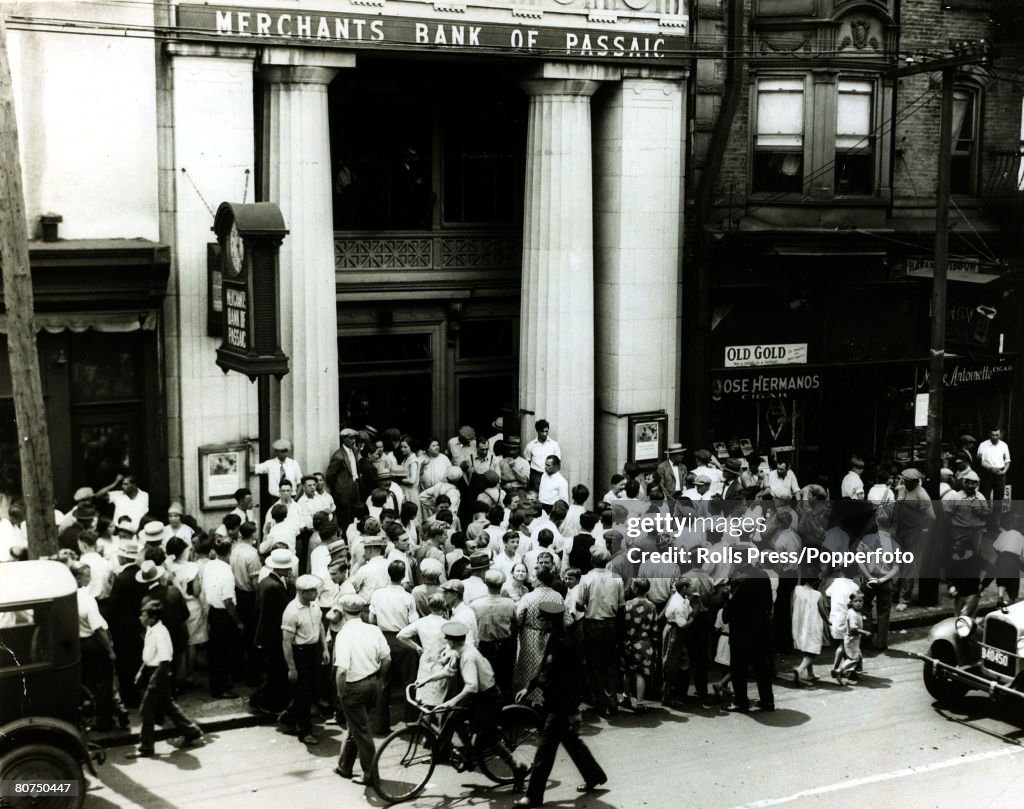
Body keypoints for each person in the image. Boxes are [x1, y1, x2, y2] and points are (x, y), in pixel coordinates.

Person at [513, 603, 606, 809]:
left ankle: (533, 796)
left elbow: (574, 682)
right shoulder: (555, 638)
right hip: (554, 701)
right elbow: (543, 665)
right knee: (571, 742)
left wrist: (573, 711)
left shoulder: (566, 645)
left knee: (544, 751)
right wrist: (529, 687)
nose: (539, 622)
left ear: (550, 621)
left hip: (560, 705)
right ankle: (594, 775)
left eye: (542, 619)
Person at [416, 622, 527, 781]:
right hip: (477, 697)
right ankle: (470, 753)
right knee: (454, 718)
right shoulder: (459, 651)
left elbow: (472, 687)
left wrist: (451, 702)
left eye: (447, 639)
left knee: (488, 736)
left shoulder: (468, 656)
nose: (446, 642)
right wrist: (426, 680)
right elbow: (448, 671)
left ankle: (516, 768)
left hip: (488, 698)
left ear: (453, 641)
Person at [127, 601, 204, 758]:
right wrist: (141, 671)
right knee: (168, 705)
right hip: (152, 671)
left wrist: (154, 679)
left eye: (144, 615)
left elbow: (164, 659)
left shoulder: (159, 633)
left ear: (153, 617)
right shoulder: (150, 629)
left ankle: (146, 747)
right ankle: (192, 731)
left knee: (146, 711)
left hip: (159, 673)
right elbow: (149, 655)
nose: (140, 617)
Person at [334, 595, 390, 784]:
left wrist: (340, 692)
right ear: (362, 611)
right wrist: (379, 679)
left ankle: (371, 775)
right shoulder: (374, 630)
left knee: (362, 731)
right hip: (373, 683)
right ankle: (345, 766)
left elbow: (341, 670)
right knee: (356, 726)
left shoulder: (344, 635)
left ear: (343, 612)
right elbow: (387, 659)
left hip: (353, 687)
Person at [573, 546, 625, 716]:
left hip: (593, 623)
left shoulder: (586, 579)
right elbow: (621, 605)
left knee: (595, 664)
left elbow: (579, 605)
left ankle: (600, 702)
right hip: (611, 623)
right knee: (611, 662)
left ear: (592, 561)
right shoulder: (616, 578)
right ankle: (612, 700)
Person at [722, 550, 775, 712]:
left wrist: (726, 605)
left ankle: (740, 701)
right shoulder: (763, 575)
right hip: (761, 628)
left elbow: (733, 606)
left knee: (738, 667)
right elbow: (768, 601)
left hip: (742, 630)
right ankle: (767, 701)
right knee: (761, 666)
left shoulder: (740, 580)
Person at [281, 574, 328, 745]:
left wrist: (324, 648)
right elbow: (286, 642)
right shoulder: (291, 612)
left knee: (311, 690)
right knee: (304, 694)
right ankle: (304, 731)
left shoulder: (314, 606)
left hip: (313, 650)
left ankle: (289, 717)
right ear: (301, 592)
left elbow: (320, 625)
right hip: (299, 652)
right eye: (312, 591)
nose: (316, 593)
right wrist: (292, 667)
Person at [251, 548, 296, 716]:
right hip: (272, 634)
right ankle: (260, 700)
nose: (290, 570)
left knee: (273, 670)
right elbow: (286, 607)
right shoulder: (274, 587)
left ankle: (266, 700)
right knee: (274, 671)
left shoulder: (265, 582)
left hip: (265, 631)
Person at [397, 593, 450, 706]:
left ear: (429, 606)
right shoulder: (447, 625)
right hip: (441, 663)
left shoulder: (421, 622)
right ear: (443, 606)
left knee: (424, 698)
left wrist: (417, 647)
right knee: (440, 699)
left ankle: (425, 721)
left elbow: (401, 635)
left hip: (426, 661)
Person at [620, 578, 657, 713]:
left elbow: (623, 624)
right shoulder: (651, 606)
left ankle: (626, 697)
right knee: (640, 673)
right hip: (644, 643)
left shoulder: (627, 605)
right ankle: (640, 703)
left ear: (635, 589)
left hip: (628, 642)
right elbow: (654, 627)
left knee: (627, 671)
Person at [790, 567, 827, 686]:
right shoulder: (817, 594)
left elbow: (792, 606)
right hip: (812, 625)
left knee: (807, 648)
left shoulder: (797, 590)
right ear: (816, 581)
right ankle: (799, 669)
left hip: (799, 623)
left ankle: (810, 674)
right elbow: (822, 611)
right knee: (813, 651)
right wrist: (829, 621)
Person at [326, 428, 362, 530]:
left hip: (355, 487)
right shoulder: (339, 456)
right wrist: (340, 488)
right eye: (350, 438)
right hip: (344, 492)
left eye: (354, 438)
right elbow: (330, 476)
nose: (353, 441)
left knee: (356, 515)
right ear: (344, 439)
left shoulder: (354, 451)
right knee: (345, 519)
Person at [835, 590, 871, 684]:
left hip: (855, 640)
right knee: (854, 659)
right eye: (856, 601)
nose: (859, 603)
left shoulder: (857, 612)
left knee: (858, 656)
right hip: (851, 640)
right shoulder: (853, 614)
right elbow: (853, 628)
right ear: (851, 602)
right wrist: (865, 632)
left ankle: (854, 674)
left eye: (860, 601)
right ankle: (840, 670)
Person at [977, 427, 1011, 519]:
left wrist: (1004, 471)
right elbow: (981, 461)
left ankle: (996, 524)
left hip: (1000, 474)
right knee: (985, 498)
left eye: (997, 435)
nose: (995, 437)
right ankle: (984, 523)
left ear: (1000, 434)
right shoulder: (983, 445)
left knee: (998, 500)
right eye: (993, 435)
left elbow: (1008, 461)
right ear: (989, 434)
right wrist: (991, 468)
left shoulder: (1004, 445)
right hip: (987, 474)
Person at [524, 420, 561, 493]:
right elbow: (527, 461)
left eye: (546, 431)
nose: (544, 434)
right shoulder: (531, 445)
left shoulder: (554, 444)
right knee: (537, 495)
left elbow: (558, 461)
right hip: (536, 475)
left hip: (550, 474)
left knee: (550, 494)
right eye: (542, 431)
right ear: (537, 431)